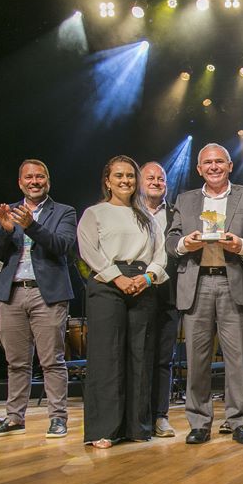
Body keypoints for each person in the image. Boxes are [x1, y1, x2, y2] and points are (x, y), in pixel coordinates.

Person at [165, 143, 243, 446]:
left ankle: (238, 421)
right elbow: (171, 241)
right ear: (198, 169)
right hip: (196, 284)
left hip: (232, 280)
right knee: (197, 359)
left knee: (237, 359)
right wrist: (186, 243)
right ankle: (199, 422)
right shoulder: (185, 199)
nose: (213, 166)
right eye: (207, 162)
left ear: (230, 165)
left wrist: (241, 245)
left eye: (219, 161)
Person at [77, 155, 168, 448]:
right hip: (107, 283)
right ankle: (104, 429)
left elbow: (160, 254)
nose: (125, 180)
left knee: (141, 355)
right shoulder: (95, 213)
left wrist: (148, 277)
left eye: (130, 175)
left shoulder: (147, 217)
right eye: (119, 176)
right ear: (107, 180)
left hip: (142, 282)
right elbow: (88, 250)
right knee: (108, 356)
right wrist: (117, 278)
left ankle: (137, 426)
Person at [0, 159, 76, 439]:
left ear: (48, 181)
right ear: (20, 182)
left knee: (52, 361)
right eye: (28, 177)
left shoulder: (64, 211)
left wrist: (31, 226)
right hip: (11, 293)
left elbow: (63, 246)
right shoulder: (8, 212)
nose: (34, 181)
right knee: (16, 362)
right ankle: (14, 418)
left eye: (40, 177)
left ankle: (58, 418)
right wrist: (6, 230)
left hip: (47, 294)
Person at [140, 161, 179, 438]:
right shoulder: (128, 212)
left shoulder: (177, 213)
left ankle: (160, 416)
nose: (156, 182)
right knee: (137, 356)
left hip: (167, 293)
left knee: (163, 359)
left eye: (161, 178)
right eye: (150, 177)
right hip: (134, 291)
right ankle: (136, 417)